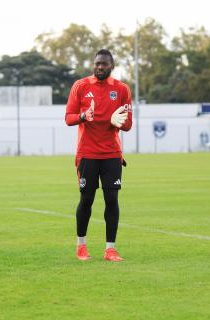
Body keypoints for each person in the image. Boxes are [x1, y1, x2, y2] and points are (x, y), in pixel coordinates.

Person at [65, 49, 133, 262]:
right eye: (97, 64)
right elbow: (68, 117)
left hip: (112, 153)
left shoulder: (121, 89)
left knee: (112, 199)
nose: (100, 67)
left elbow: (129, 124)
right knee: (87, 199)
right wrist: (84, 116)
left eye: (104, 64)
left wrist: (117, 121)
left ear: (111, 66)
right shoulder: (81, 86)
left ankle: (110, 249)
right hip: (87, 153)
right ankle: (81, 246)